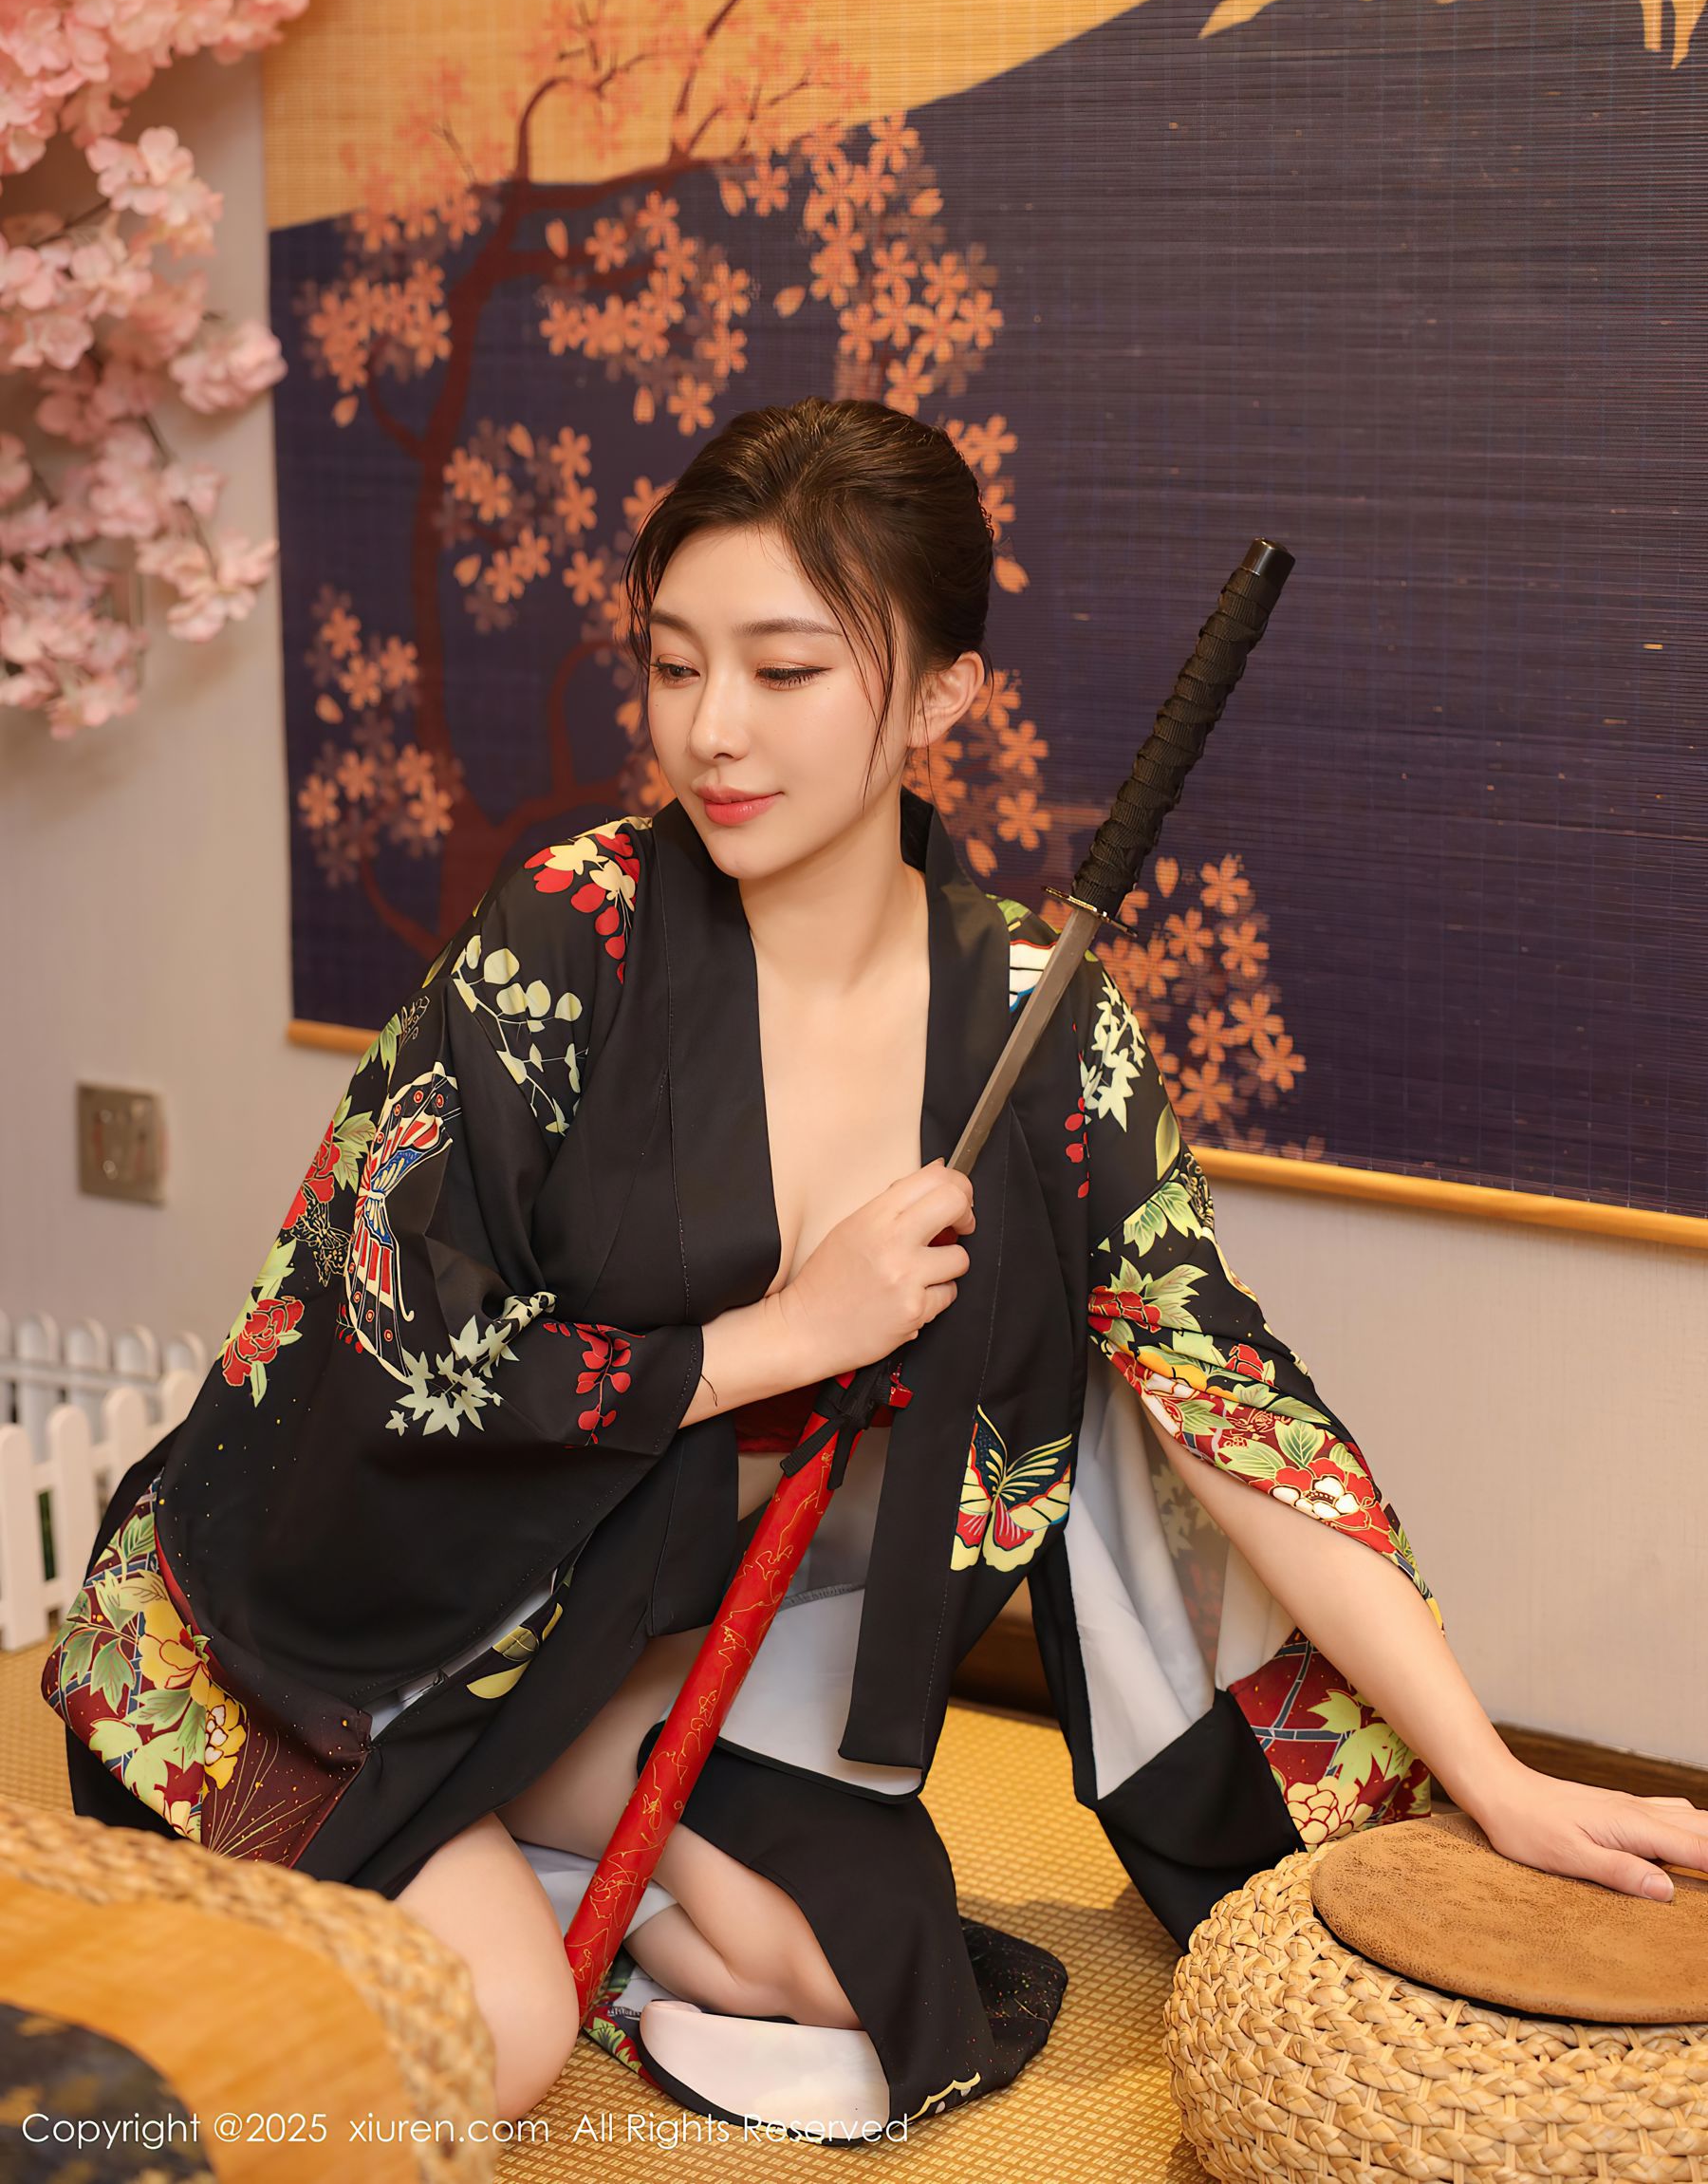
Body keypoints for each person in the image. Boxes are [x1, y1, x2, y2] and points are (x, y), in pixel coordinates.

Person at [44, 399, 1708, 2139]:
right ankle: (436, 1907)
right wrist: (785, 1335)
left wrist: (1491, 1774)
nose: (712, 729)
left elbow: (1227, 1405)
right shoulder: (570, 930)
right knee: (502, 2046)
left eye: (785, 671)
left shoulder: (1040, 1032)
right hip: (339, 1641)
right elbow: (392, 1334)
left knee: (873, 1975)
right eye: (674, 664)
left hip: (622, 1661)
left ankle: (532, 1858)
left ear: (938, 697)